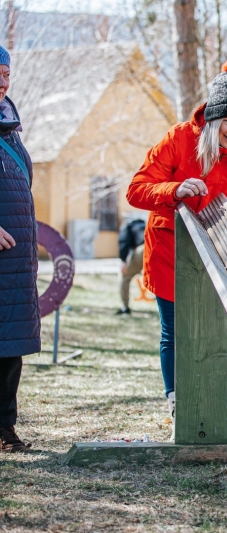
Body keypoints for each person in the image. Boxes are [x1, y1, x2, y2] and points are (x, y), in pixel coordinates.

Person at [126, 60, 227, 442]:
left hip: (224, 255)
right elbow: (137, 189)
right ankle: (182, 407)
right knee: (175, 332)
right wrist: (174, 191)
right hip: (170, 252)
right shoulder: (180, 139)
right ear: (214, 118)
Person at [0, 46, 38, 453]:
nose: (2, 81)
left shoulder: (9, 127)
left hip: (14, 261)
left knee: (9, 351)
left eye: (6, 73)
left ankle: (4, 430)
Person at [116, 216, 146, 314]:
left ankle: (125, 307)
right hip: (157, 247)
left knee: (125, 277)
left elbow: (124, 242)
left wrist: (123, 261)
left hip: (143, 249)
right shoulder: (144, 224)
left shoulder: (127, 225)